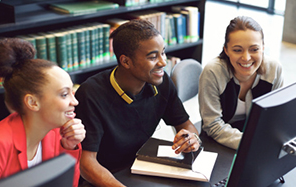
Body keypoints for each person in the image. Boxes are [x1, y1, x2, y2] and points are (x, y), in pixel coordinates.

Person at [75, 19, 201, 187]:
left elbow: (187, 126)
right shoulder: (90, 94)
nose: (163, 62)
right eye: (153, 57)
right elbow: (87, 165)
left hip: (140, 169)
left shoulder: (161, 83)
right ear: (126, 61)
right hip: (103, 179)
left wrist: (192, 139)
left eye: (163, 53)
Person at [0, 38, 86, 187]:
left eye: (72, 92)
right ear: (32, 102)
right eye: (64, 94)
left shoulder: (57, 134)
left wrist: (69, 148)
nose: (75, 101)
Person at [198, 16, 284, 150]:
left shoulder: (274, 69)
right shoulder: (213, 72)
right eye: (237, 50)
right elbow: (212, 125)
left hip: (257, 139)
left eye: (254, 49)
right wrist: (252, 143)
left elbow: (277, 115)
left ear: (263, 48)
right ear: (226, 50)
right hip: (218, 143)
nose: (246, 58)